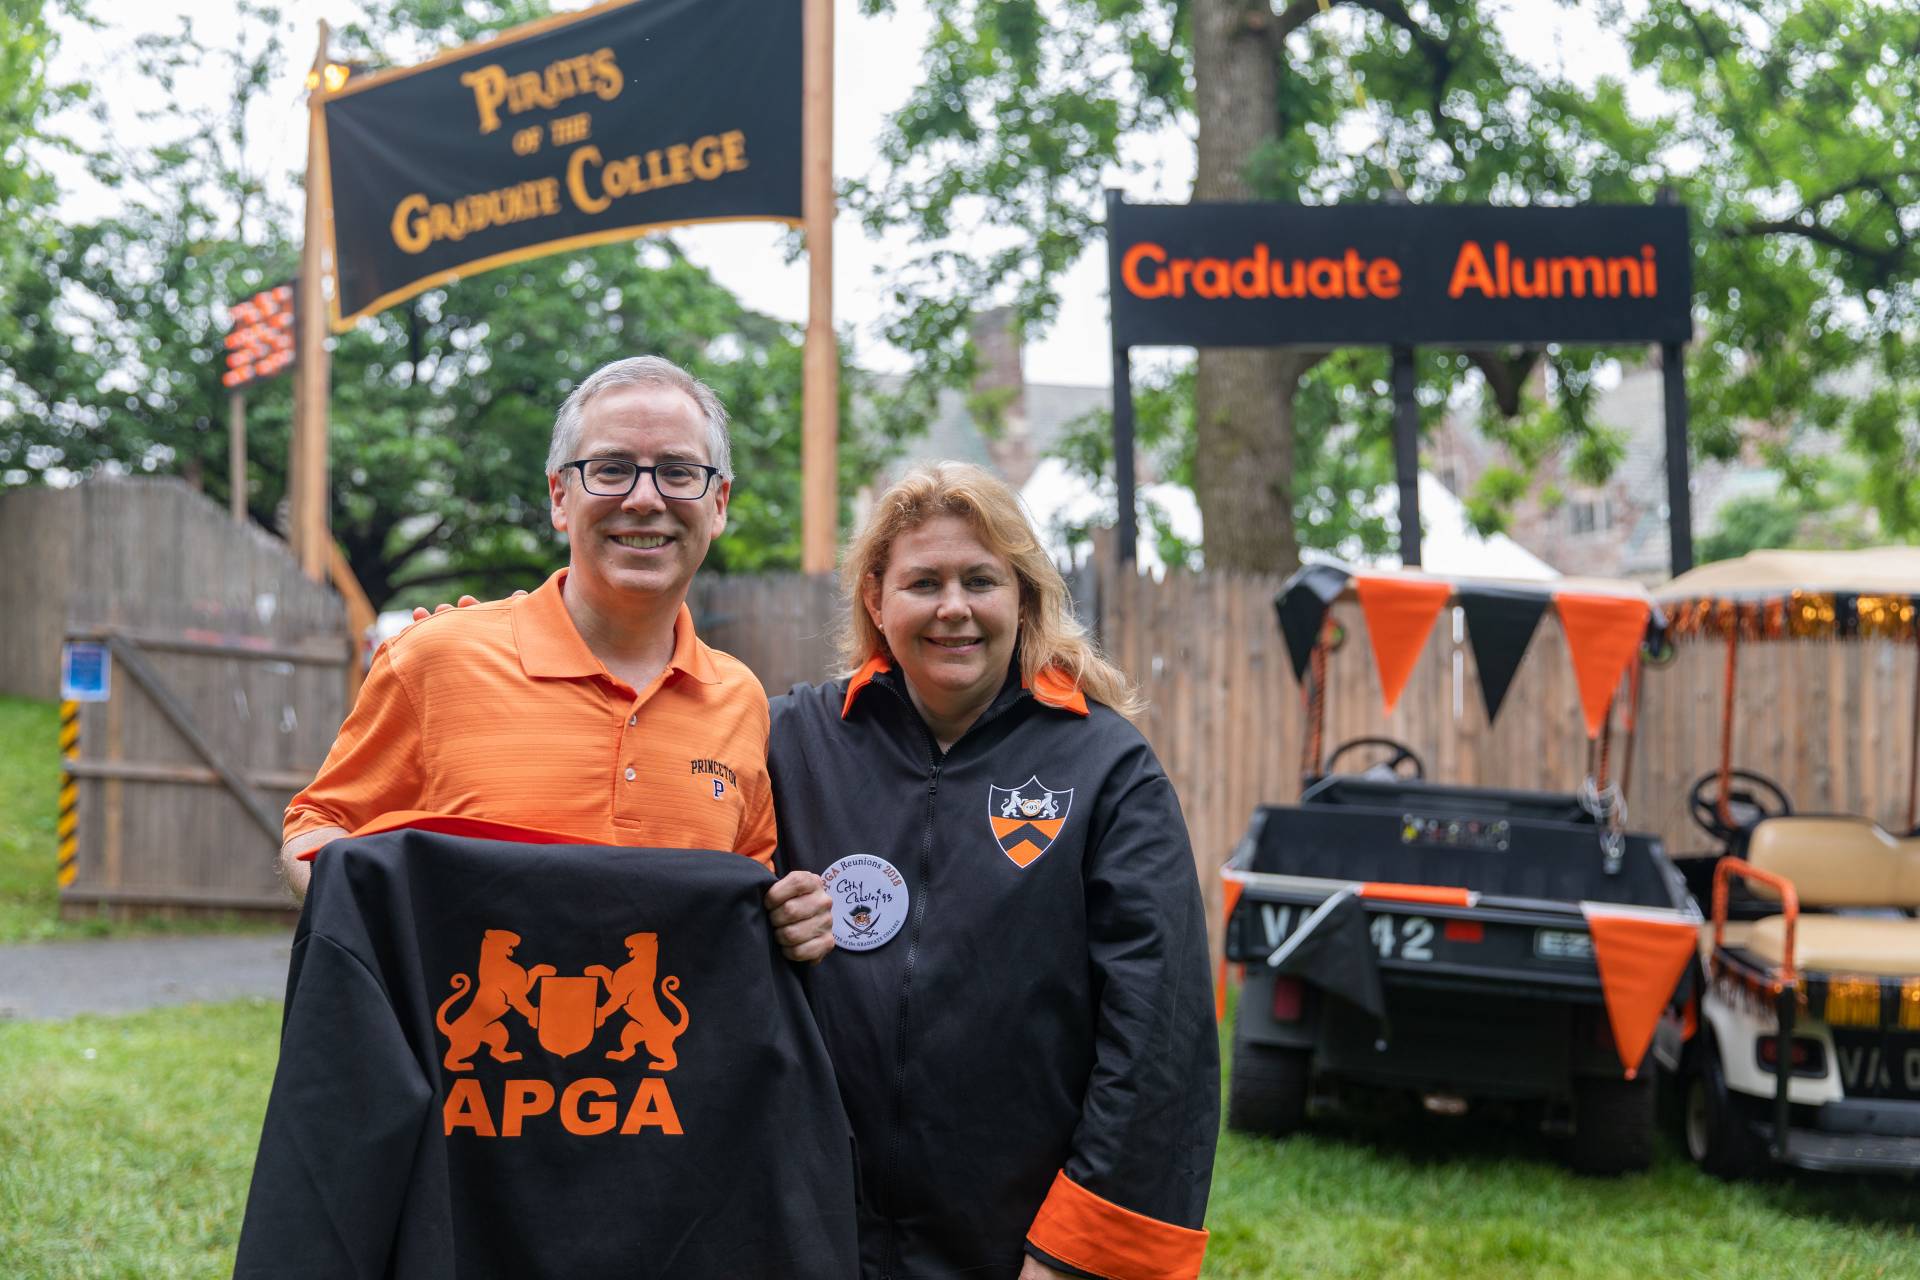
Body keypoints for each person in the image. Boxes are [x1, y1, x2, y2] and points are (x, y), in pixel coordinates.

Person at [770, 462, 1218, 1280]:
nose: (953, 608)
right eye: (923, 582)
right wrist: (767, 915)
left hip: (1020, 1249)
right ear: (877, 600)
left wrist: (1074, 1252)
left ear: (1023, 596)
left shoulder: (1106, 766)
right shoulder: (792, 744)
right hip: (820, 1240)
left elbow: (1159, 1031)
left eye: (981, 580)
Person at [279, 354, 832, 964]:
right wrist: (378, 924)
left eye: (678, 471)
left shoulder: (739, 698)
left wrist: (789, 919)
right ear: (559, 496)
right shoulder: (436, 659)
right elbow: (317, 827)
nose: (645, 498)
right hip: (464, 1046)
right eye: (612, 468)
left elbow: (744, 893)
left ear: (719, 504)